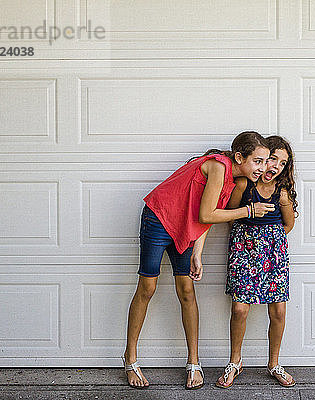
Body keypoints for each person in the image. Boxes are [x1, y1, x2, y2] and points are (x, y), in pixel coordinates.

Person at [123, 131, 276, 390]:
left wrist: (197, 252)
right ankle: (130, 359)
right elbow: (208, 214)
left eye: (265, 162)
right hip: (159, 219)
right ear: (239, 157)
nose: (262, 168)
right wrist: (249, 210)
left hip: (184, 226)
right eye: (257, 161)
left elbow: (206, 216)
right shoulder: (219, 167)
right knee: (147, 288)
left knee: (187, 290)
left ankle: (194, 362)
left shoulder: (232, 180)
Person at [216, 136, 298, 389]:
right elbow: (229, 214)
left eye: (282, 164)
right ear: (261, 158)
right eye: (272, 158)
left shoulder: (281, 192)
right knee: (240, 309)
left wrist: (270, 240)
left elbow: (288, 224)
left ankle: (273, 363)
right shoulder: (243, 185)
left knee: (279, 311)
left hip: (273, 254)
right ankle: (235, 362)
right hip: (243, 250)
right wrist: (247, 238)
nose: (274, 166)